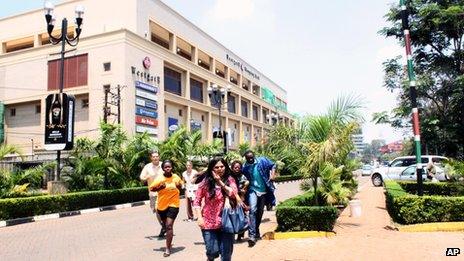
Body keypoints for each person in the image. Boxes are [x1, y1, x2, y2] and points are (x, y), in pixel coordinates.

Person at [194, 157, 238, 261]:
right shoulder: (205, 182)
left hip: (227, 222)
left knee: (226, 255)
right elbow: (197, 201)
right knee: (212, 252)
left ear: (225, 167)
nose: (220, 169)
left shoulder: (230, 179)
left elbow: (233, 193)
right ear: (212, 169)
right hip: (209, 223)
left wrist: (220, 182)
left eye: (222, 166)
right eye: (216, 167)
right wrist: (199, 218)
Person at [242, 150, 276, 247]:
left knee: (260, 212)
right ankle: (252, 236)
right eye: (248, 158)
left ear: (254, 156)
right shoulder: (245, 168)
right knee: (253, 210)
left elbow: (273, 165)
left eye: (252, 157)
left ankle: (256, 230)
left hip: (264, 190)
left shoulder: (262, 161)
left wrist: (272, 175)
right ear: (246, 158)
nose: (250, 159)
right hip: (253, 190)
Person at [149, 160, 183, 257]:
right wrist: (160, 187)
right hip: (162, 206)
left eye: (169, 167)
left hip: (174, 204)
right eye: (166, 167)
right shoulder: (160, 178)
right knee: (165, 225)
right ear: (163, 168)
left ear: (172, 167)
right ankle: (166, 231)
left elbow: (181, 186)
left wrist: (179, 186)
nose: (168, 168)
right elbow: (151, 188)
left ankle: (167, 249)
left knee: (169, 226)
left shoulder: (176, 177)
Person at [140, 151, 165, 236]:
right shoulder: (147, 167)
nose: (155, 158)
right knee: (156, 210)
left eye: (157, 156)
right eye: (153, 157)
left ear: (159, 157)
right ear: (151, 158)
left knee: (162, 209)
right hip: (153, 192)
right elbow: (141, 177)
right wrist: (146, 177)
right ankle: (163, 226)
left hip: (163, 192)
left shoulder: (163, 165)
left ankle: (165, 226)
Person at [230, 160, 249, 242]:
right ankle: (232, 235)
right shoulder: (229, 176)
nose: (237, 169)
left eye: (238, 167)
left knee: (241, 217)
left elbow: (246, 185)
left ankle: (240, 235)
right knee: (232, 217)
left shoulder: (243, 177)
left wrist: (243, 190)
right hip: (231, 199)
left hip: (241, 199)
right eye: (235, 167)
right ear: (232, 168)